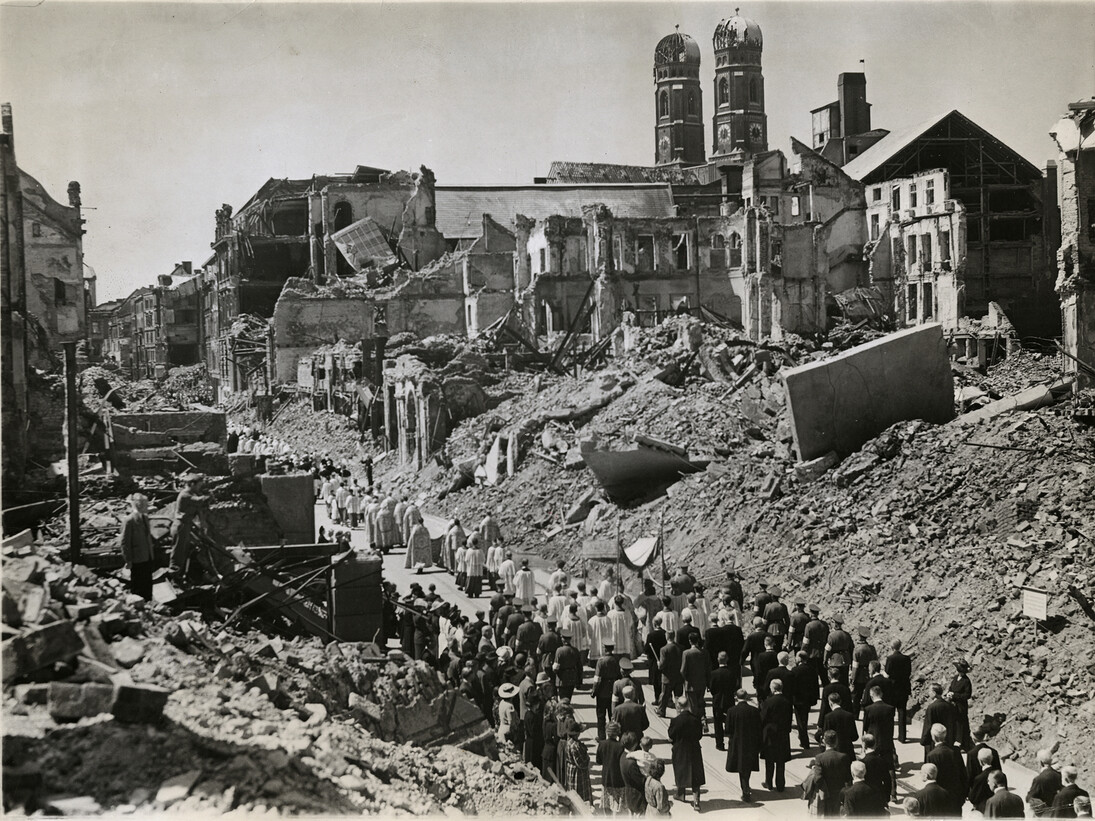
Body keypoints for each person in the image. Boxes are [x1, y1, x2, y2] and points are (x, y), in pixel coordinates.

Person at [168, 473, 210, 581]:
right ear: (192, 484)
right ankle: (174, 577)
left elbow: (199, 508)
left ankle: (182, 575)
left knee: (186, 551)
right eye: (198, 485)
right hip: (180, 526)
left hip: (186, 526)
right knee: (178, 552)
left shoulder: (192, 493)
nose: (199, 487)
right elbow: (199, 501)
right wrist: (209, 495)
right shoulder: (185, 494)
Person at [725, 689, 762, 802]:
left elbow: (728, 730)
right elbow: (759, 728)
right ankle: (746, 786)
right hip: (751, 742)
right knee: (747, 766)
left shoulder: (731, 711)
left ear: (736, 697)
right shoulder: (754, 711)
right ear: (746, 697)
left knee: (741, 767)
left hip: (737, 743)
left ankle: (745, 789)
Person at [668, 697, 705, 810]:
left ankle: (681, 794)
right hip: (694, 748)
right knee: (695, 774)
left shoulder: (675, 721)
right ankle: (696, 800)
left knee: (680, 771)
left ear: (678, 706)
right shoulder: (695, 719)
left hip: (680, 749)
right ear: (688, 704)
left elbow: (671, 735)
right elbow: (699, 735)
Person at [119, 493, 155, 600]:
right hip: (137, 558)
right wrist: (128, 560)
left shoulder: (145, 518)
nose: (147, 506)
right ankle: (137, 603)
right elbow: (124, 542)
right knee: (138, 584)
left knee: (147, 583)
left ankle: (148, 603)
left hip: (147, 556)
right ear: (139, 505)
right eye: (145, 504)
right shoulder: (129, 521)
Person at [926, 721, 968, 814]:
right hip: (955, 797)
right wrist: (963, 795)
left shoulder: (931, 755)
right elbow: (963, 773)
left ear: (933, 737)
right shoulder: (955, 752)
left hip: (940, 799)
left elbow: (931, 778)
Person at [760, 679, 792, 793]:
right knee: (780, 761)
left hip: (770, 734)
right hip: (782, 734)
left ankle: (769, 783)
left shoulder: (768, 702)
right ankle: (780, 784)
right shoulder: (787, 701)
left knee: (769, 760)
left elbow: (763, 718)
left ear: (773, 688)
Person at [816, 729, 852, 817]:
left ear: (824, 741)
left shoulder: (819, 757)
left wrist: (824, 789)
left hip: (826, 793)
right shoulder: (843, 757)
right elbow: (848, 777)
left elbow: (818, 778)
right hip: (839, 792)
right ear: (836, 742)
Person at [789, 650, 819, 750]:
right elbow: (815, 685)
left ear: (800, 658)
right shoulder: (812, 669)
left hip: (798, 699)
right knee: (804, 718)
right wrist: (815, 698)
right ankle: (802, 736)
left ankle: (804, 741)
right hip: (808, 698)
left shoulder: (795, 670)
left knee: (800, 720)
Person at [592, 641, 621, 741]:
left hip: (602, 691)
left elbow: (597, 678)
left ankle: (601, 736)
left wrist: (594, 690)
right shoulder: (617, 660)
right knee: (612, 715)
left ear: (605, 649)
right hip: (614, 690)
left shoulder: (601, 661)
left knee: (601, 715)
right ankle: (612, 735)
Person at [709, 651, 736, 752]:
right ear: (727, 659)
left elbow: (711, 688)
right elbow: (735, 686)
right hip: (729, 699)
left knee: (717, 722)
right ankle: (732, 742)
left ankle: (719, 743)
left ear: (718, 660)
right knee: (731, 722)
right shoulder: (731, 672)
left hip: (717, 700)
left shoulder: (713, 674)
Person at [921, 683, 957, 759]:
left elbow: (928, 725)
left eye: (929, 691)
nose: (928, 693)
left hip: (934, 741)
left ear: (934, 693)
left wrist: (923, 740)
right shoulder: (949, 706)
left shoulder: (931, 707)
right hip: (947, 740)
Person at [596, 721, 626, 814]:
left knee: (606, 803)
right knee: (617, 806)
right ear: (618, 732)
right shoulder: (620, 746)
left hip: (606, 777)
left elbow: (598, 761)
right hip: (618, 779)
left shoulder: (602, 744)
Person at [680, 632, 709, 722]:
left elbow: (683, 670)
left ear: (689, 641)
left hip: (690, 684)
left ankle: (695, 722)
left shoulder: (686, 653)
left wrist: (685, 679)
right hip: (702, 682)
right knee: (701, 703)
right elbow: (708, 668)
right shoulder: (704, 652)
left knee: (692, 706)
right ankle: (703, 719)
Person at [946, 659, 974, 751]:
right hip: (953, 704)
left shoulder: (966, 681)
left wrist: (955, 695)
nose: (960, 673)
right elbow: (951, 687)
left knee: (961, 724)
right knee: (953, 723)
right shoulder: (955, 678)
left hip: (961, 706)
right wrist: (949, 693)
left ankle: (963, 744)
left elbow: (967, 695)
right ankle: (953, 741)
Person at [820, 692, 858, 757]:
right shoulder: (849, 715)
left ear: (830, 703)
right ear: (840, 702)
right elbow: (854, 736)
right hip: (848, 750)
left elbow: (826, 735)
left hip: (834, 751)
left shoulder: (828, 717)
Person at [563, 720, 592, 804]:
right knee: (580, 794)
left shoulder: (568, 742)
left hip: (570, 769)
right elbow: (582, 763)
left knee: (572, 790)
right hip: (577, 773)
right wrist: (587, 757)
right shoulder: (575, 746)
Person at [862, 733, 894, 807]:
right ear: (874, 744)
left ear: (864, 745)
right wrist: (887, 797)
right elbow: (887, 780)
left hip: (866, 796)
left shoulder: (862, 762)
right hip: (879, 795)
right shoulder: (882, 760)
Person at [656, 631, 684, 718]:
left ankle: (661, 711)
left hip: (667, 677)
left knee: (664, 696)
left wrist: (659, 664)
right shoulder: (681, 648)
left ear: (666, 637)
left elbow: (662, 665)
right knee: (678, 697)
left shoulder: (664, 649)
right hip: (678, 676)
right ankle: (679, 713)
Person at [620, 731, 648, 815]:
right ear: (635, 745)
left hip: (628, 793)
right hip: (636, 796)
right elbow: (640, 781)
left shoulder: (623, 755)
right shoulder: (632, 763)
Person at [1027, 749, 1062, 817]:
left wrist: (1028, 797)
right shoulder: (1059, 775)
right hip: (1056, 810)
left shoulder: (1038, 779)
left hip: (1044, 812)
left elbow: (1031, 796)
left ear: (1041, 763)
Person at [552, 629, 582, 700]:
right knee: (568, 698)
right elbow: (580, 667)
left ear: (563, 639)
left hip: (562, 678)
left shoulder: (559, 650)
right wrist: (579, 680)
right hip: (572, 678)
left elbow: (555, 667)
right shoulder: (575, 650)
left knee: (562, 699)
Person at [967, 748, 999, 813]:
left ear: (981, 762)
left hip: (984, 809)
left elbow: (973, 798)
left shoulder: (979, 778)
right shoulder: (1001, 775)